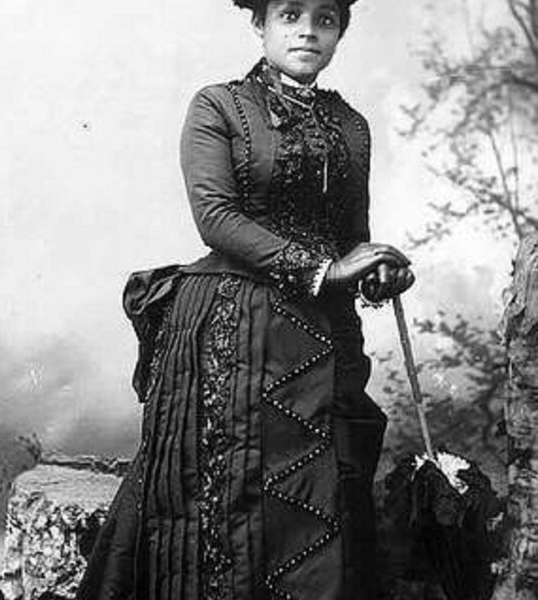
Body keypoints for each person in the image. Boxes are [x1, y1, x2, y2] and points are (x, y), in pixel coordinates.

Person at [77, 0, 414, 598]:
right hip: (236, 325)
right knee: (232, 497)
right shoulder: (219, 106)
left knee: (328, 492)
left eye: (326, 18)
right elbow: (216, 217)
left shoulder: (353, 126)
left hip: (325, 329)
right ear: (259, 25)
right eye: (289, 14)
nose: (308, 30)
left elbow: (350, 239)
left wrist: (374, 272)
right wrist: (328, 271)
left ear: (340, 32)